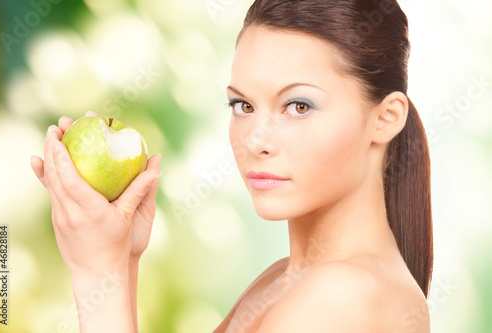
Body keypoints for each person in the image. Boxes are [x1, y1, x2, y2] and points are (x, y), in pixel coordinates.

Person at [31, 0, 433, 332]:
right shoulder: (284, 278)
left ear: (386, 118)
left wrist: (97, 273)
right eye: (243, 105)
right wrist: (122, 259)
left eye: (298, 105)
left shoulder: (345, 294)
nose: (255, 140)